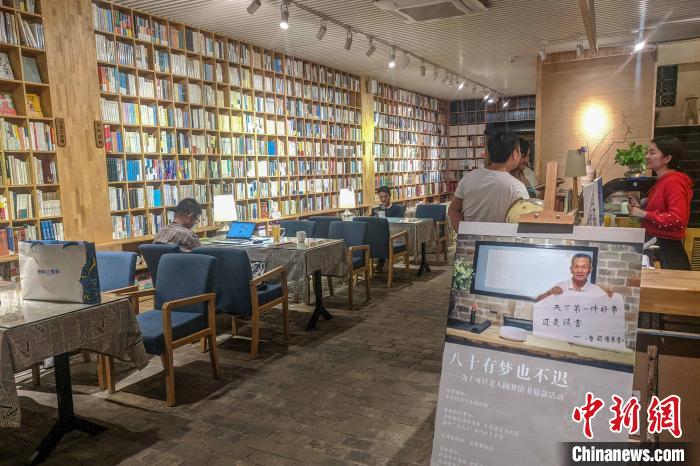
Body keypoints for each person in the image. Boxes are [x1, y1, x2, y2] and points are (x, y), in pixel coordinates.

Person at [628, 136, 693, 270]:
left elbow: (677, 219)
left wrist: (643, 214)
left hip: (666, 250)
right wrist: (641, 210)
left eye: (652, 153)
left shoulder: (674, 182)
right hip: (656, 245)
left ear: (667, 158)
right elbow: (659, 211)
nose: (647, 156)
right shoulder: (662, 180)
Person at [448, 130, 529, 230]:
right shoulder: (517, 187)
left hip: (469, 239)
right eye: (520, 151)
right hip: (500, 240)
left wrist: (464, 233)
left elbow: (453, 211)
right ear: (515, 154)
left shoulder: (468, 178)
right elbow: (526, 223)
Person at [535, 254, 613, 302]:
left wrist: (610, 299)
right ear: (571, 269)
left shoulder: (597, 291)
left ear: (590, 270)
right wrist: (550, 293)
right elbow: (538, 302)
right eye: (576, 267)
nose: (580, 271)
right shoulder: (559, 287)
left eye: (584, 267)